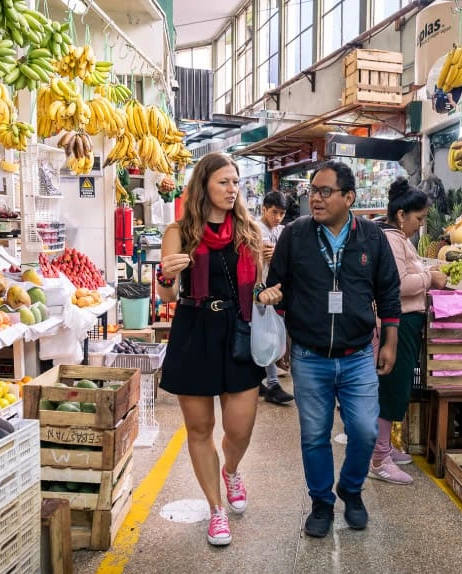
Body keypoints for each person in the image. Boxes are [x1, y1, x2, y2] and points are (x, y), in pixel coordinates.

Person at [258, 161, 401, 538]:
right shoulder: (296, 235)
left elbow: (388, 292)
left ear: (348, 197)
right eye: (312, 191)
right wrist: (280, 319)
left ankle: (351, 491)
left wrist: (390, 340)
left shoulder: (372, 237)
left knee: (365, 430)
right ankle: (321, 502)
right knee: (314, 435)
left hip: (357, 356)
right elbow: (279, 285)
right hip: (309, 355)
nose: (315, 198)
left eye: (324, 191)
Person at [157, 152, 282, 546]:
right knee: (200, 429)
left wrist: (268, 286)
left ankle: (230, 469)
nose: (232, 190)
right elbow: (166, 293)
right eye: (223, 182)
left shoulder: (248, 229)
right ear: (203, 186)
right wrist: (165, 275)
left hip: (239, 331)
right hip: (194, 330)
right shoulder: (179, 232)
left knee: (240, 429)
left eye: (236, 183)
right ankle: (215, 509)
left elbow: (260, 287)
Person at [368, 178, 448, 485]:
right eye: (418, 218)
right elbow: (398, 284)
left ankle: (384, 447)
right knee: (390, 388)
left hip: (405, 323)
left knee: (396, 385)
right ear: (401, 215)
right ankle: (379, 458)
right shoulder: (391, 240)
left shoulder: (400, 239)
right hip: (396, 323)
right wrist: (429, 278)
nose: (420, 225)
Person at [256, 190, 294, 405]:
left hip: (277, 292)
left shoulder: (282, 231)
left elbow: (288, 256)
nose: (277, 217)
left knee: (268, 336)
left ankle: (261, 381)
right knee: (266, 336)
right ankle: (272, 383)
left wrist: (278, 252)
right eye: (274, 212)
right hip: (257, 291)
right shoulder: (255, 229)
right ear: (264, 209)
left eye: (281, 213)